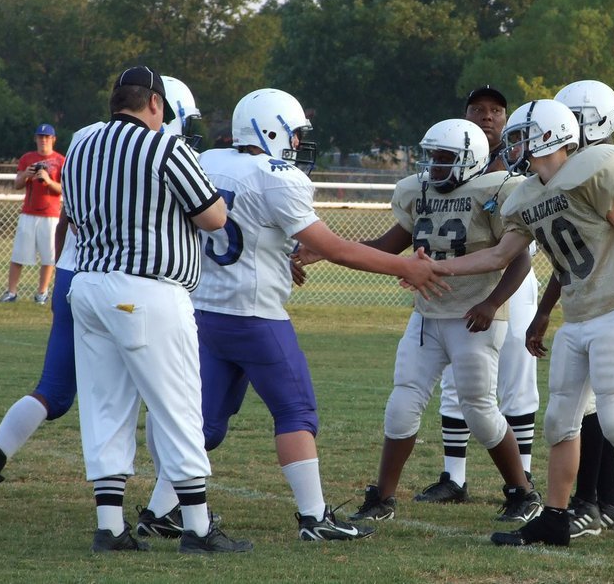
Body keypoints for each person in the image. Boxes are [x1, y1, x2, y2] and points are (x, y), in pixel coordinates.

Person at [189, 88, 447, 542]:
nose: (295, 145)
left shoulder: (209, 161)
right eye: (293, 135)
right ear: (271, 130)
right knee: (296, 411)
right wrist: (408, 266)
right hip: (256, 317)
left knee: (206, 423)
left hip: (205, 312)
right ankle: (314, 517)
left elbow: (239, 229)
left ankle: (162, 508)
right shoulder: (275, 176)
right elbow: (338, 249)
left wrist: (280, 256)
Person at [430, 98, 614, 552]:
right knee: (560, 422)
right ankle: (553, 517)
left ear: (548, 136)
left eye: (519, 135)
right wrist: (435, 268)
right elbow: (498, 256)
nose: (511, 143)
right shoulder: (529, 193)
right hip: (579, 313)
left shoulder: (593, 170)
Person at [0, 78, 203, 527]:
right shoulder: (160, 155)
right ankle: (172, 512)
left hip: (79, 275)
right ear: (159, 107)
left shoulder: (90, 144)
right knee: (161, 396)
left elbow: (69, 219)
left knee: (56, 391)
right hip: (125, 282)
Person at [61, 65, 250, 555]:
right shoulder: (165, 146)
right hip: (146, 289)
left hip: (88, 285)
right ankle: (198, 528)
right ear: (156, 105)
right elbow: (213, 216)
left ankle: (110, 526)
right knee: (179, 406)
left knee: (105, 405)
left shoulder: (80, 143)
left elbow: (74, 215)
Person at [337, 117, 541, 524]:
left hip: (474, 316)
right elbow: (385, 247)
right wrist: (326, 248)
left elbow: (518, 258)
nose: (435, 167)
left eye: (445, 159)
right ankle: (383, 498)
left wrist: (493, 302)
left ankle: (522, 492)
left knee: (480, 410)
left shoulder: (495, 191)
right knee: (402, 403)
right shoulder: (420, 192)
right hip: (428, 317)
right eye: (431, 158)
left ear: (470, 161)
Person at [524, 80, 614, 539]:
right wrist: (547, 310)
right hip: (579, 311)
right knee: (565, 418)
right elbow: (566, 256)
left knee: (612, 416)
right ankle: (568, 511)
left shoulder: (610, 166)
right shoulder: (551, 182)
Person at [414, 86, 540, 507]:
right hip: (456, 283)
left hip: (511, 278)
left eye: (496, 111)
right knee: (457, 380)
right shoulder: (444, 160)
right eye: (477, 109)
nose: (487, 116)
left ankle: (524, 477)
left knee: (517, 374)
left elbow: (518, 250)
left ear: (507, 120)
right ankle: (454, 476)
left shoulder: (521, 161)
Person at [0, 124, 65, 305]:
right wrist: (27, 174)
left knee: (48, 256)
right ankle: (11, 291)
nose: (43, 140)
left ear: (53, 139)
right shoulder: (28, 158)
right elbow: (17, 183)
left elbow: (63, 189)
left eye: (47, 137)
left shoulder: (60, 160)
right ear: (35, 139)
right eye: (40, 137)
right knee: (19, 254)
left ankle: (42, 292)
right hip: (28, 213)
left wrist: (48, 181)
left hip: (50, 214)